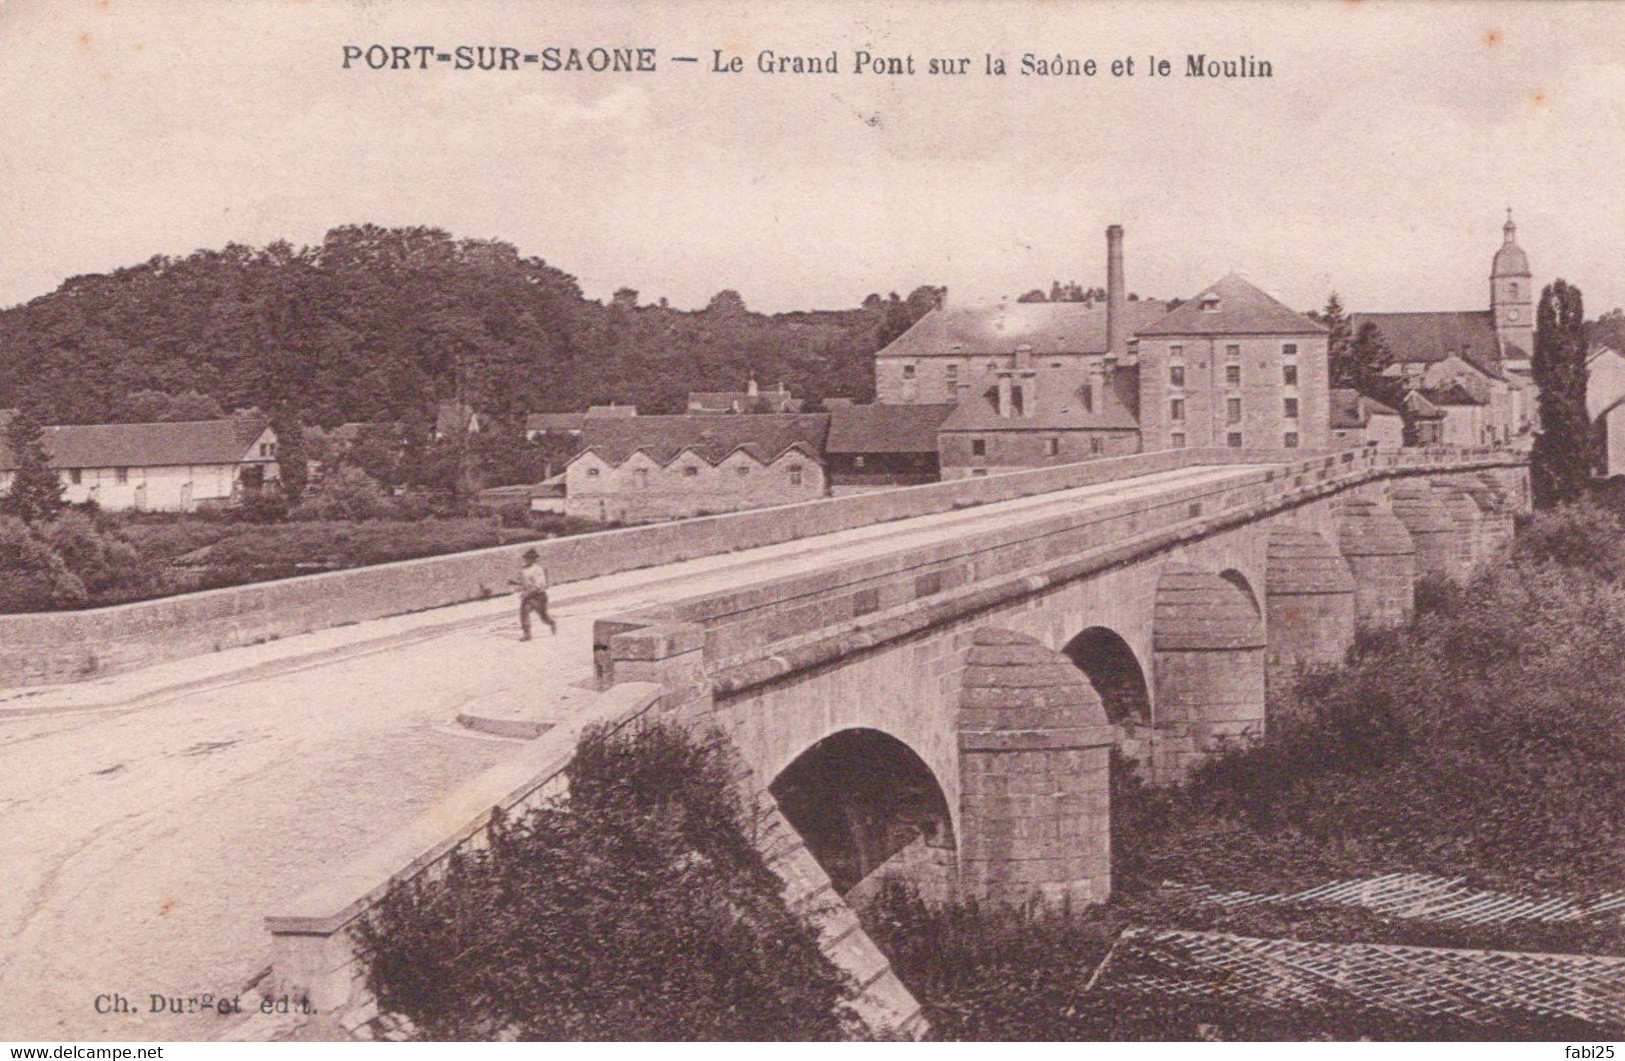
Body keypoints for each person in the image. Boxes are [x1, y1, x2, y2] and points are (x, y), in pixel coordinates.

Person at [513, 548, 558, 640]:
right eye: (526, 558)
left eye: (529, 558)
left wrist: (528, 593)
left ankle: (552, 622)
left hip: (539, 596)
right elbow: (523, 583)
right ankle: (527, 634)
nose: (527, 560)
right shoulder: (523, 570)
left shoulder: (538, 569)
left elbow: (538, 586)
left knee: (543, 616)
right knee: (524, 613)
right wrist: (517, 585)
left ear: (534, 559)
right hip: (528, 596)